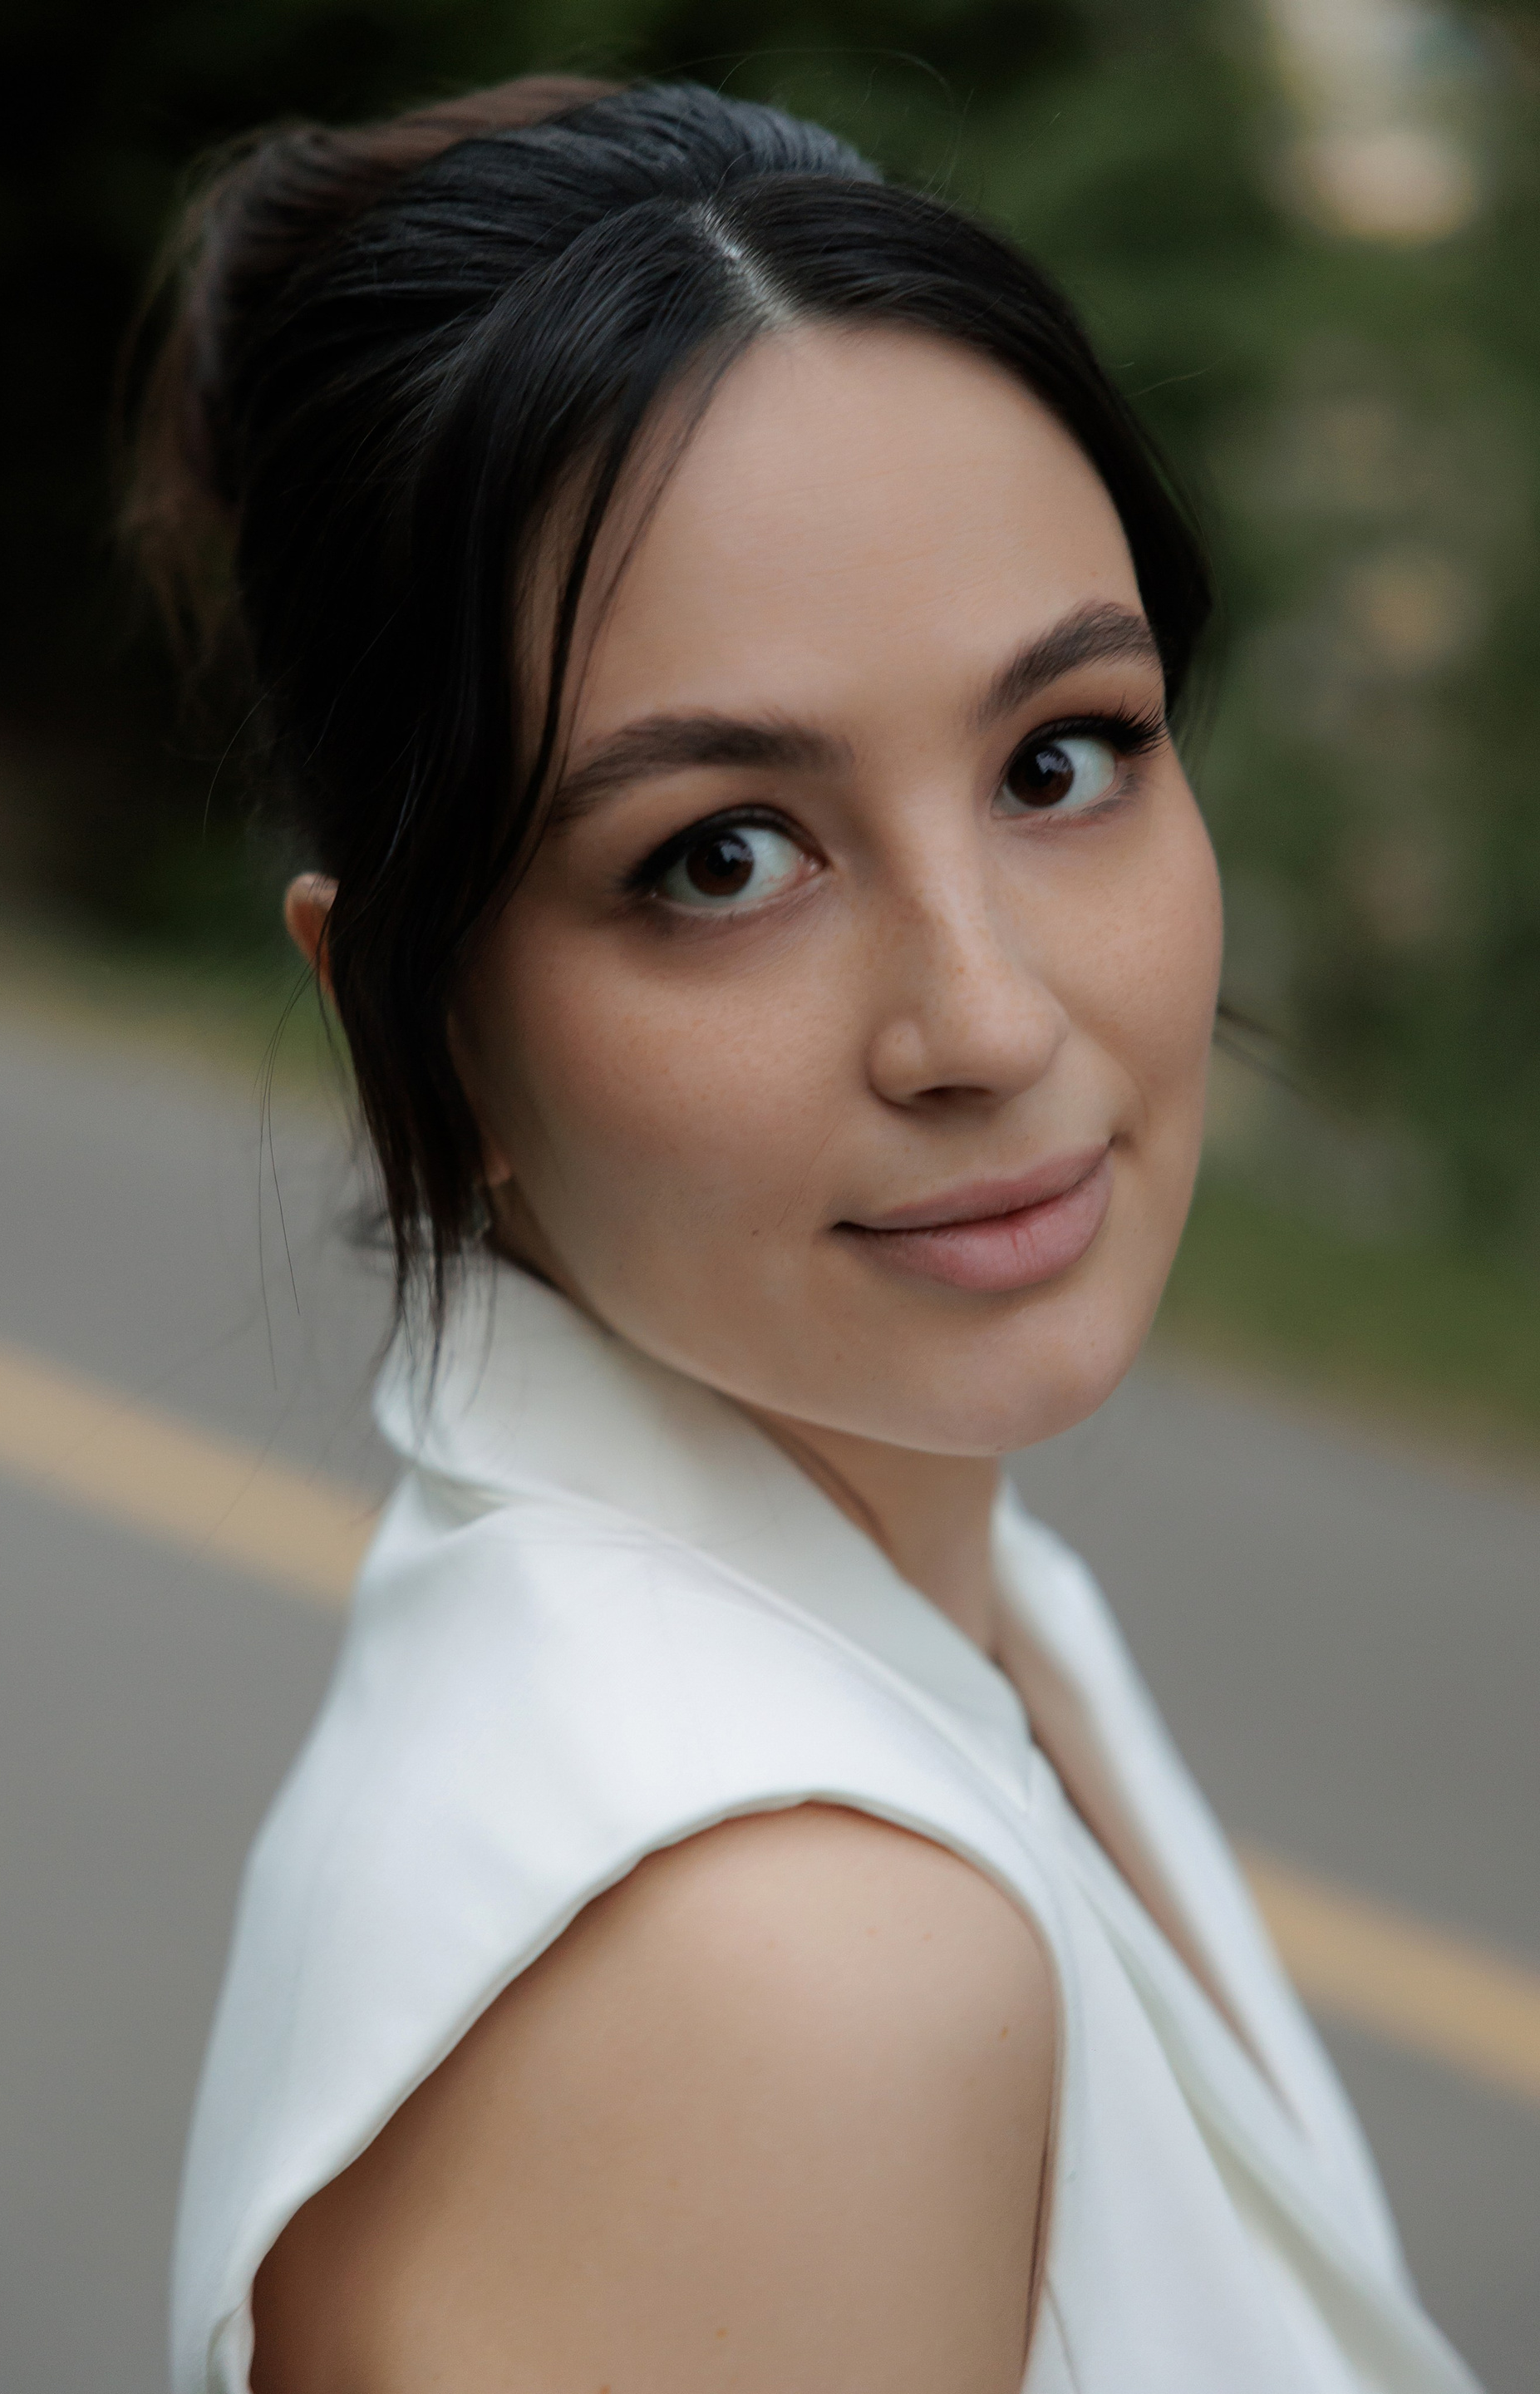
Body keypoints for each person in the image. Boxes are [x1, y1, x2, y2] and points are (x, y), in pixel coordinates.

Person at [129, 75, 1481, 2394]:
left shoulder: (956, 1619)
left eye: (1060, 756)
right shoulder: (790, 1960)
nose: (986, 1018)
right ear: (410, 1022)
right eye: (723, 857)